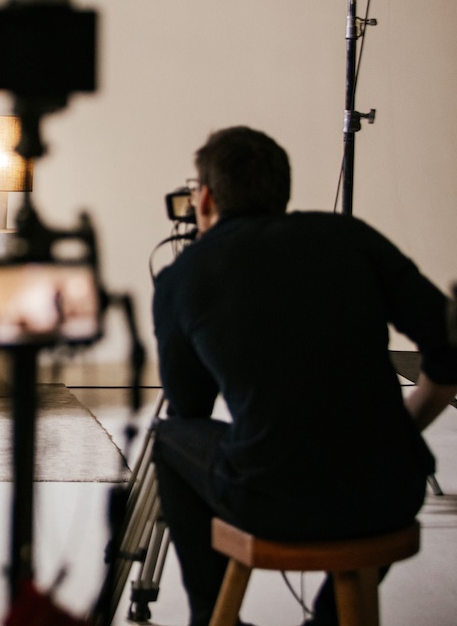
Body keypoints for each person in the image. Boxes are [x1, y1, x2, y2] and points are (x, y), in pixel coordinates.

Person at [151, 126, 457, 626]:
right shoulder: (350, 236)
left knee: (169, 439)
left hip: (274, 501)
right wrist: (399, 433)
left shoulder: (182, 278)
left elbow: (190, 410)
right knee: (373, 477)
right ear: (282, 190)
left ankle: (210, 616)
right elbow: (449, 347)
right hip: (393, 494)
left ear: (204, 198)